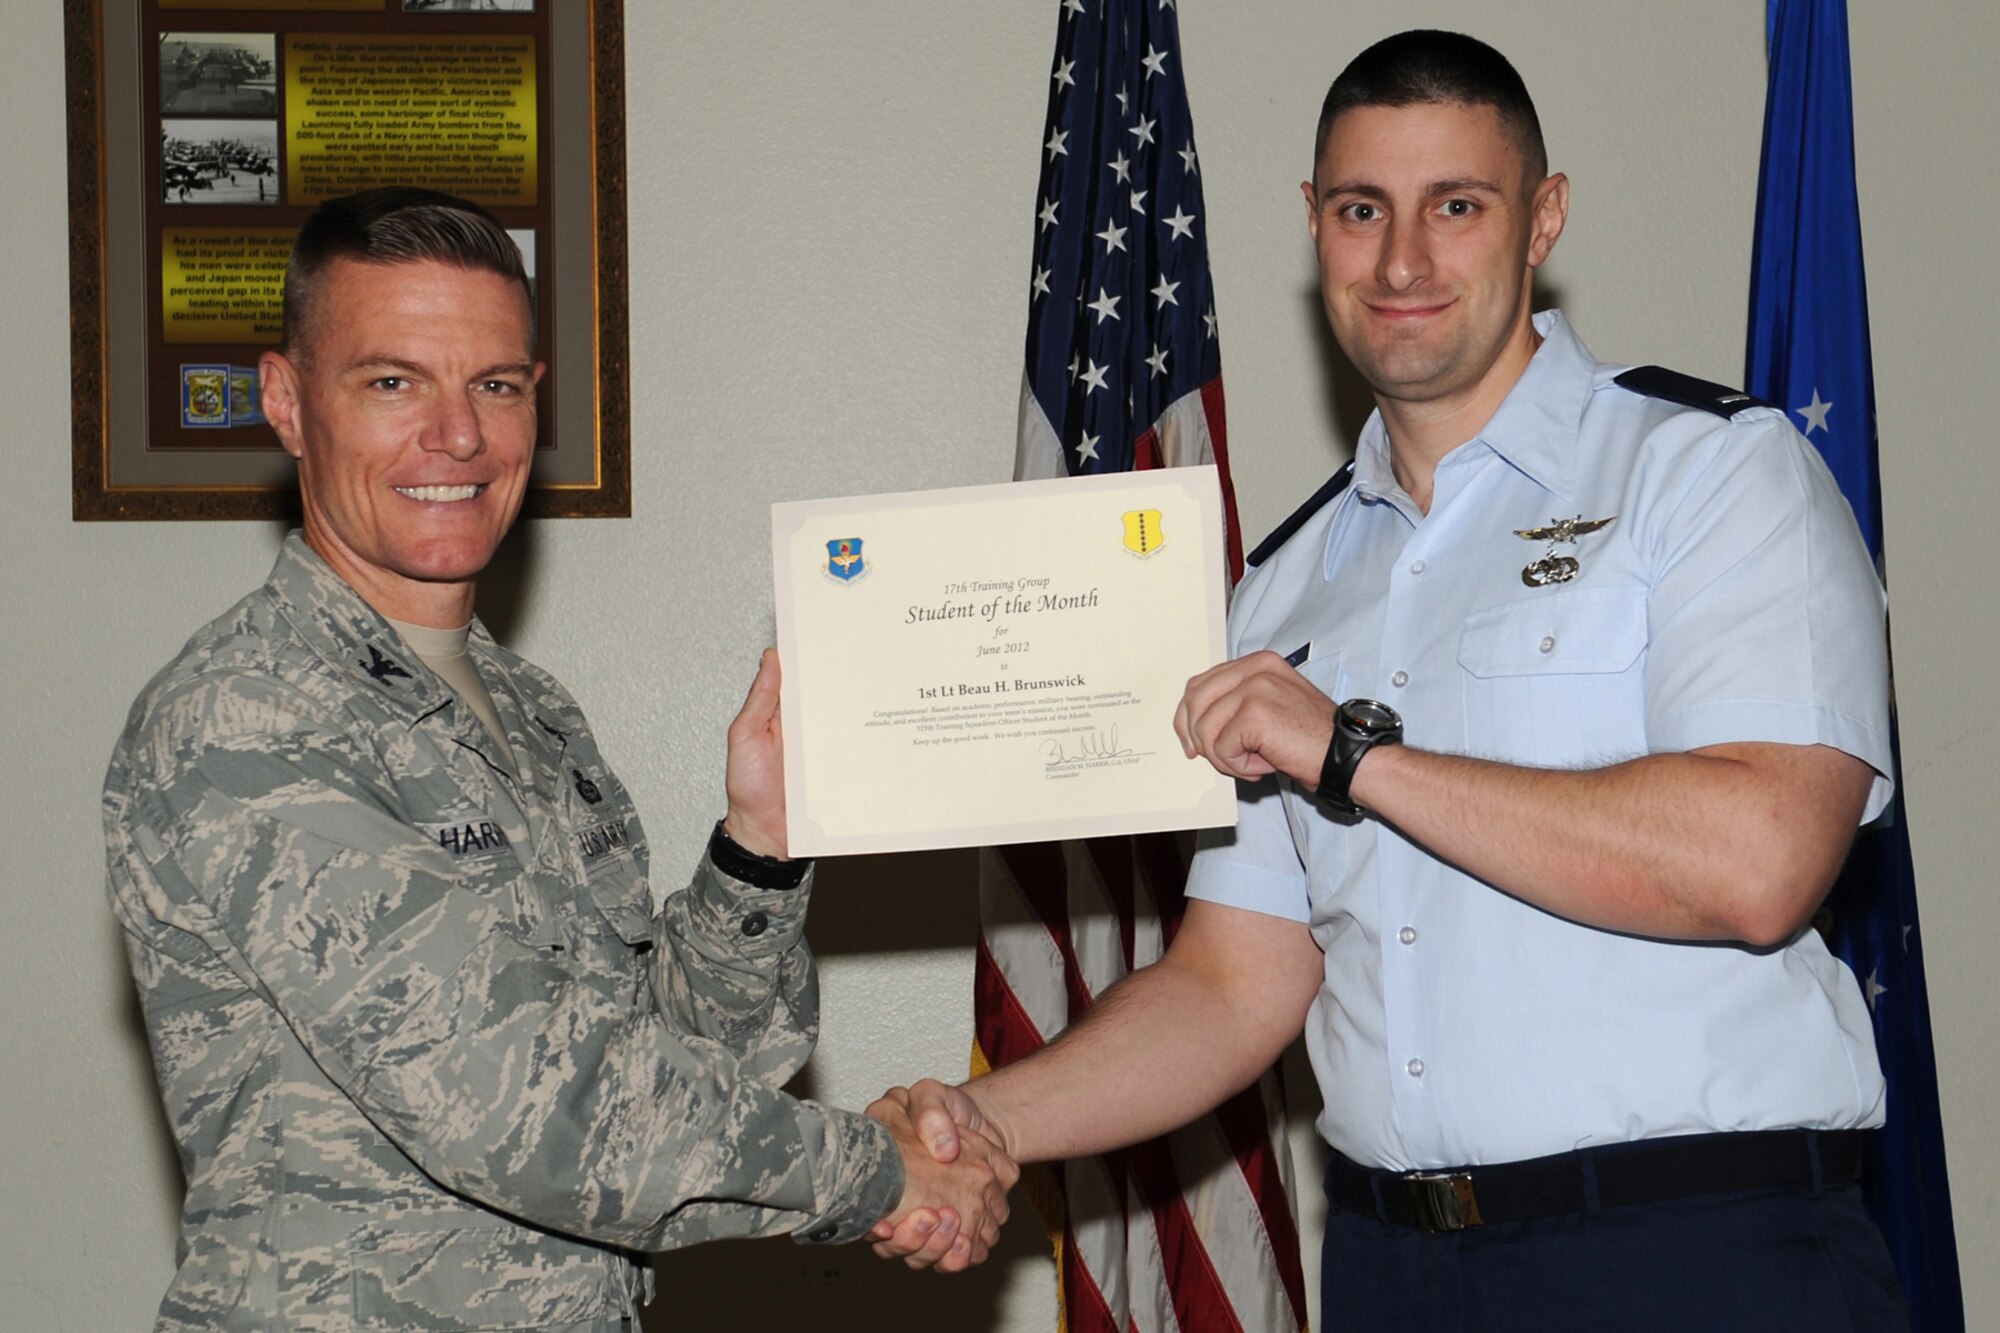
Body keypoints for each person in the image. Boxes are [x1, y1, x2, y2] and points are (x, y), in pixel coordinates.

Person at [881, 30, 1910, 1331]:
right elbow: (1231, 983)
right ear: (1313, 223)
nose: (1403, 262)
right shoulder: (1285, 590)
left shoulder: (1710, 475)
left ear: (1544, 219)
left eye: (1456, 207)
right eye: (1361, 211)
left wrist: (1355, 756)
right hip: (1395, 1268)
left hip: (1696, 1255)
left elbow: (1758, 862)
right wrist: (981, 1123)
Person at [104, 186, 1011, 1333]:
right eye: (392, 382)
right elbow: (525, 1108)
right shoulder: (246, 717)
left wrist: (759, 849)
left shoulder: (532, 711)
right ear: (286, 401)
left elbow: (664, 1065)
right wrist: (876, 1172)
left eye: (494, 385)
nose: (457, 435)